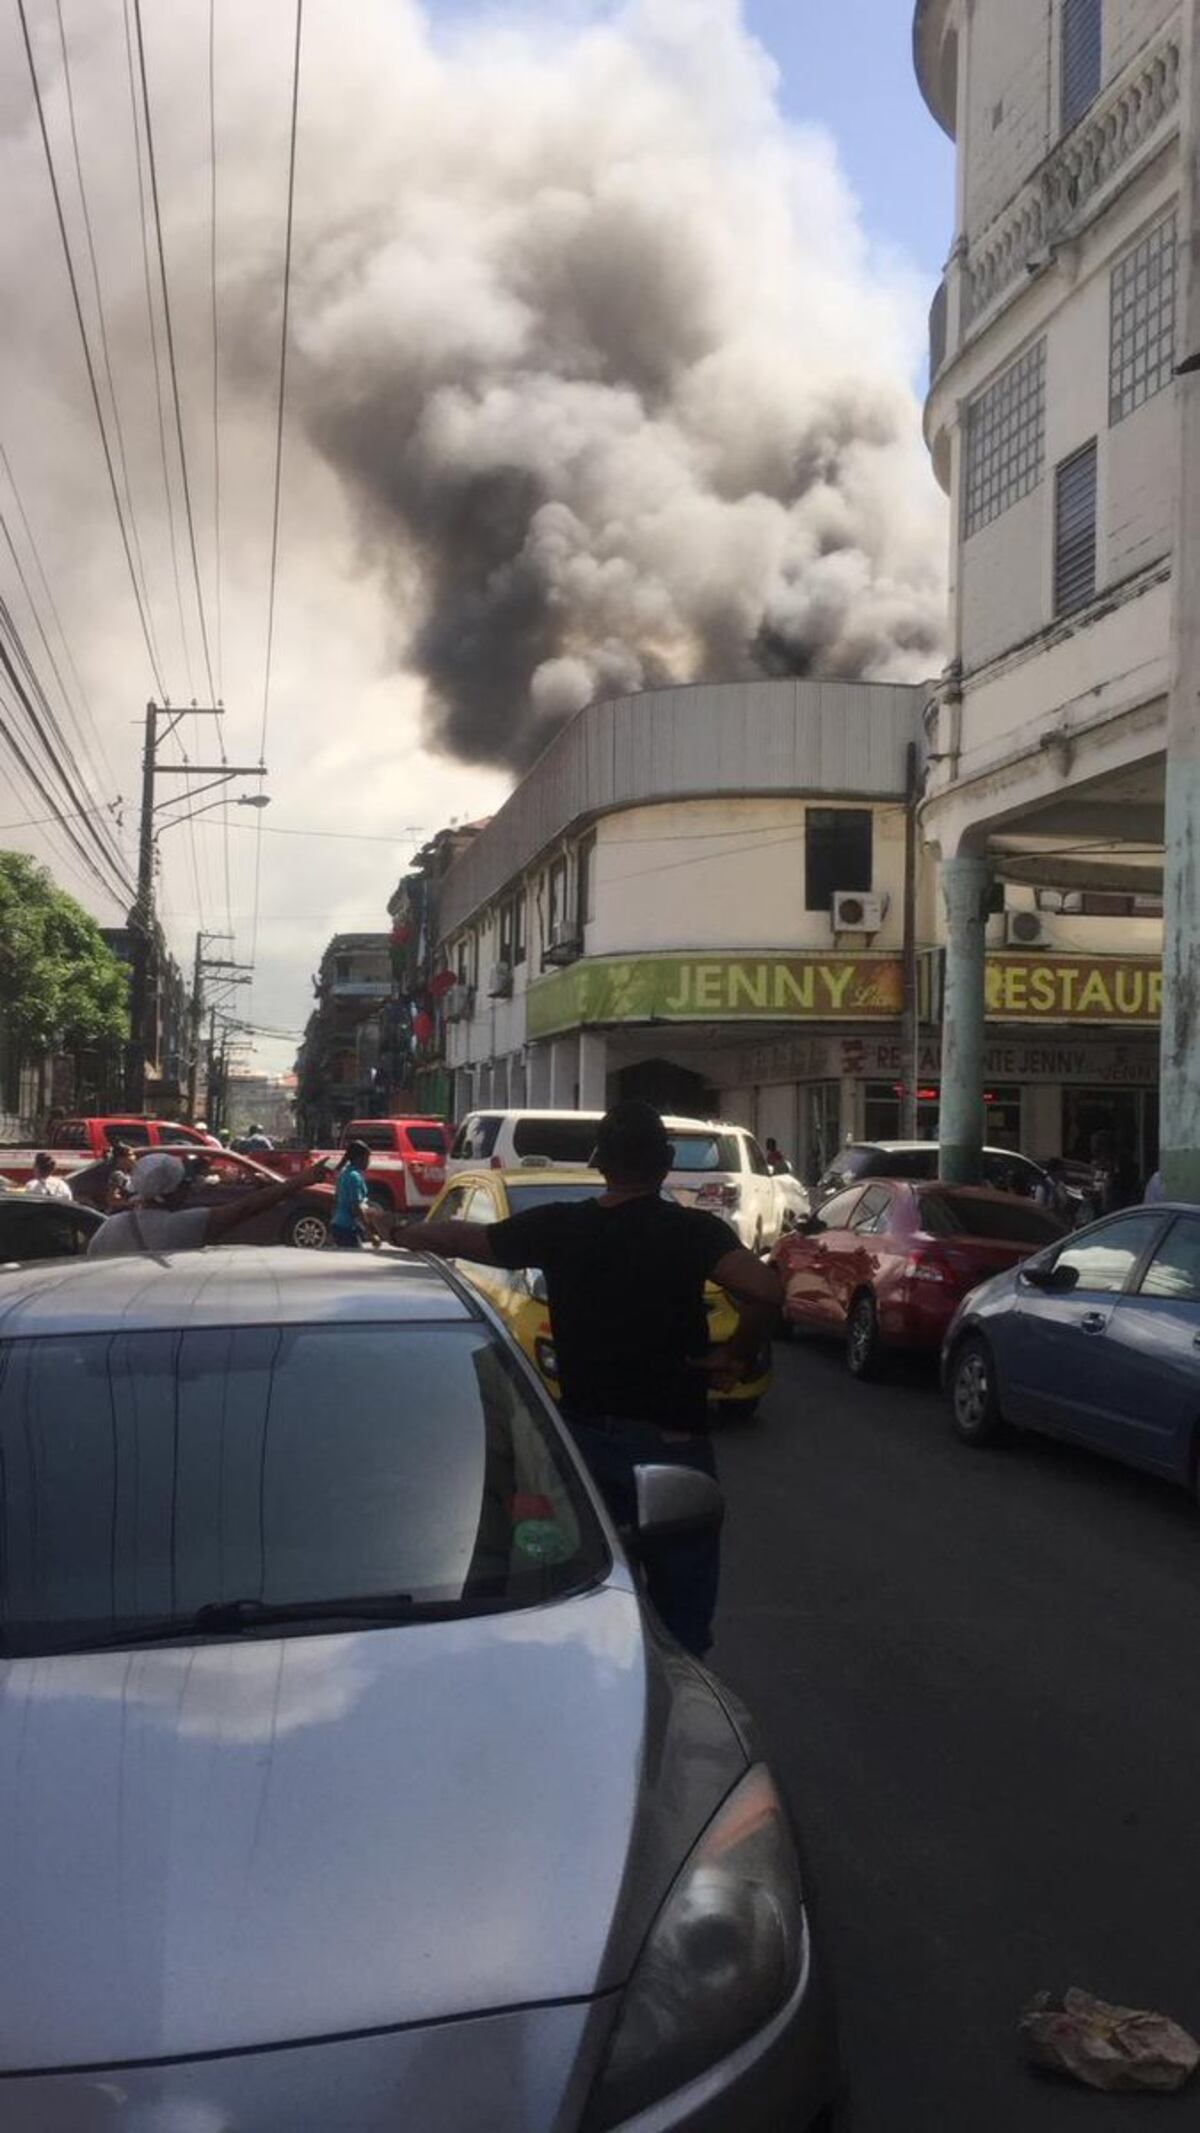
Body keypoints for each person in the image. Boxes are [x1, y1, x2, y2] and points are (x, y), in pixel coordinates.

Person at [416, 1099, 782, 1658]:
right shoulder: (693, 1232)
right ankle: (678, 1693)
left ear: (599, 1163)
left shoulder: (561, 1227)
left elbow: (469, 1241)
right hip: (672, 1446)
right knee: (683, 1613)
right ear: (663, 1164)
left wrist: (400, 1231)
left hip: (581, 1442)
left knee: (578, 1596)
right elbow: (764, 1289)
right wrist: (734, 1353)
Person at [88, 1150, 329, 1257]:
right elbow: (246, 1207)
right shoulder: (184, 1225)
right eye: (185, 1183)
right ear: (174, 1191)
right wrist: (301, 1181)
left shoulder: (108, 1229)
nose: (189, 1188)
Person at [330, 1139, 384, 1250]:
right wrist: (371, 1234)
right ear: (359, 1158)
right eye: (367, 1158)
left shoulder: (344, 1174)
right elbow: (355, 1207)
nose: (368, 1162)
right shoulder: (354, 1177)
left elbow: (336, 1201)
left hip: (338, 1225)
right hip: (347, 1228)